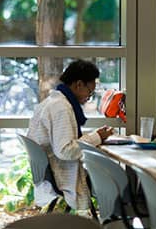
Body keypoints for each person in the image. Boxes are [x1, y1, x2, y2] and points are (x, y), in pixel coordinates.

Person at [27, 59, 114, 211]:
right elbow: (66, 151)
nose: (89, 97)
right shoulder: (61, 108)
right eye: (90, 92)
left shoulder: (54, 101)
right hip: (61, 174)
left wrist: (95, 136)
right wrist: (97, 137)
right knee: (114, 182)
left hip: (50, 173)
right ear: (79, 84)